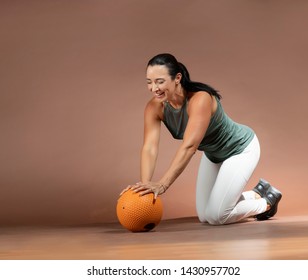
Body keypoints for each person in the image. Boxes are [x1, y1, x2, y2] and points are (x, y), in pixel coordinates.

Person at [121, 53, 282, 225]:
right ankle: (258, 192)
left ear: (177, 78)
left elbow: (189, 147)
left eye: (159, 81)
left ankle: (267, 202)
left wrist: (162, 185)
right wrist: (145, 187)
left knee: (216, 216)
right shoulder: (154, 107)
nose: (154, 88)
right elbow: (149, 148)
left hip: (240, 149)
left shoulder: (200, 99)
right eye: (149, 82)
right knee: (205, 215)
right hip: (213, 155)